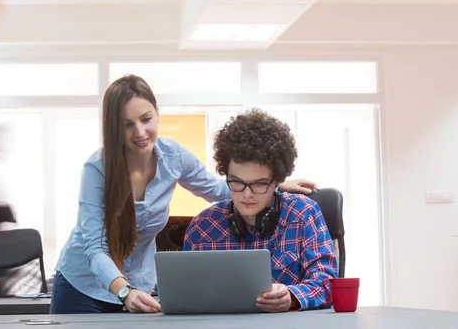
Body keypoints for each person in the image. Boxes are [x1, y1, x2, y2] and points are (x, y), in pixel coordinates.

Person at [50, 75, 317, 314]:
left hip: (140, 288)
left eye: (146, 119)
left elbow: (219, 190)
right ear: (113, 127)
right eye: (127, 125)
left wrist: (270, 183)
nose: (140, 132)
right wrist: (124, 292)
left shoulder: (173, 156)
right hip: (83, 287)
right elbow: (95, 249)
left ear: (157, 114)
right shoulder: (98, 169)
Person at [184, 109, 338, 312]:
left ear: (277, 181)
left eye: (259, 184)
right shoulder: (202, 226)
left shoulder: (303, 214)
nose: (247, 195)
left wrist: (291, 297)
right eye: (237, 182)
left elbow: (327, 282)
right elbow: (185, 292)